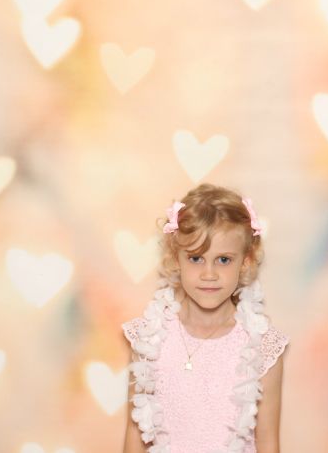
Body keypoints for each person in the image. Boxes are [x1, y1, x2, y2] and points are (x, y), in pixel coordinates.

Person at [121, 183, 289, 453]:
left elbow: (267, 442)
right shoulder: (149, 339)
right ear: (176, 258)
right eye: (196, 258)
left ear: (245, 262)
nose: (209, 274)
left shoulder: (262, 348)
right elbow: (136, 431)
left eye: (223, 260)